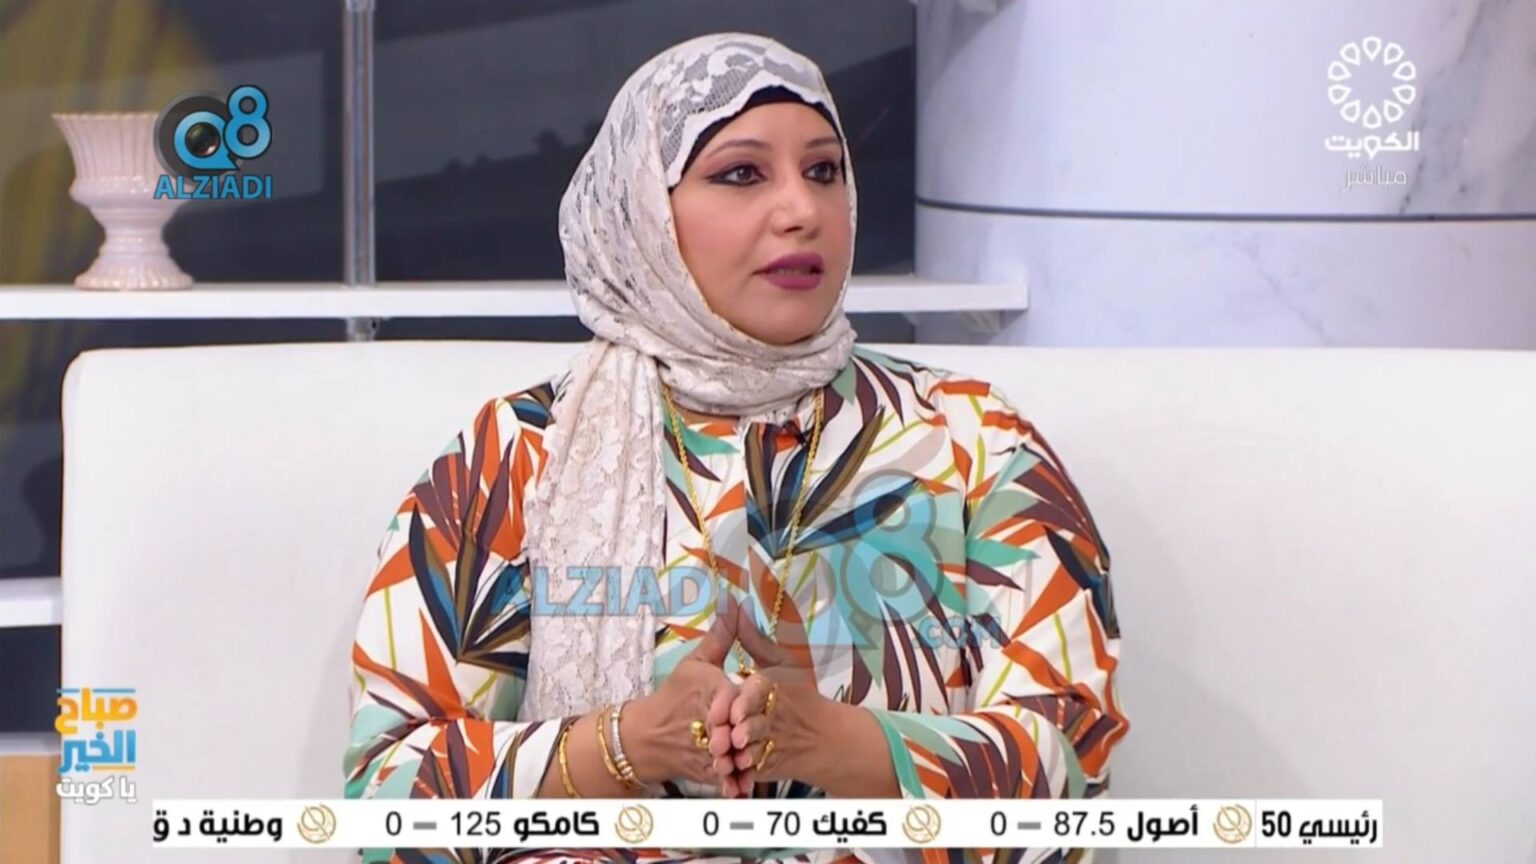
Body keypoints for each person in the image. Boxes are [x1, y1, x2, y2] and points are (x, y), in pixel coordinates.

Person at [344, 31, 1128, 864]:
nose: (802, 210)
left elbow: (1070, 773)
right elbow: (389, 799)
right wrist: (626, 743)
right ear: (644, 211)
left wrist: (833, 743)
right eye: (743, 174)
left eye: (824, 171)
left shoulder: (975, 442)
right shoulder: (516, 457)